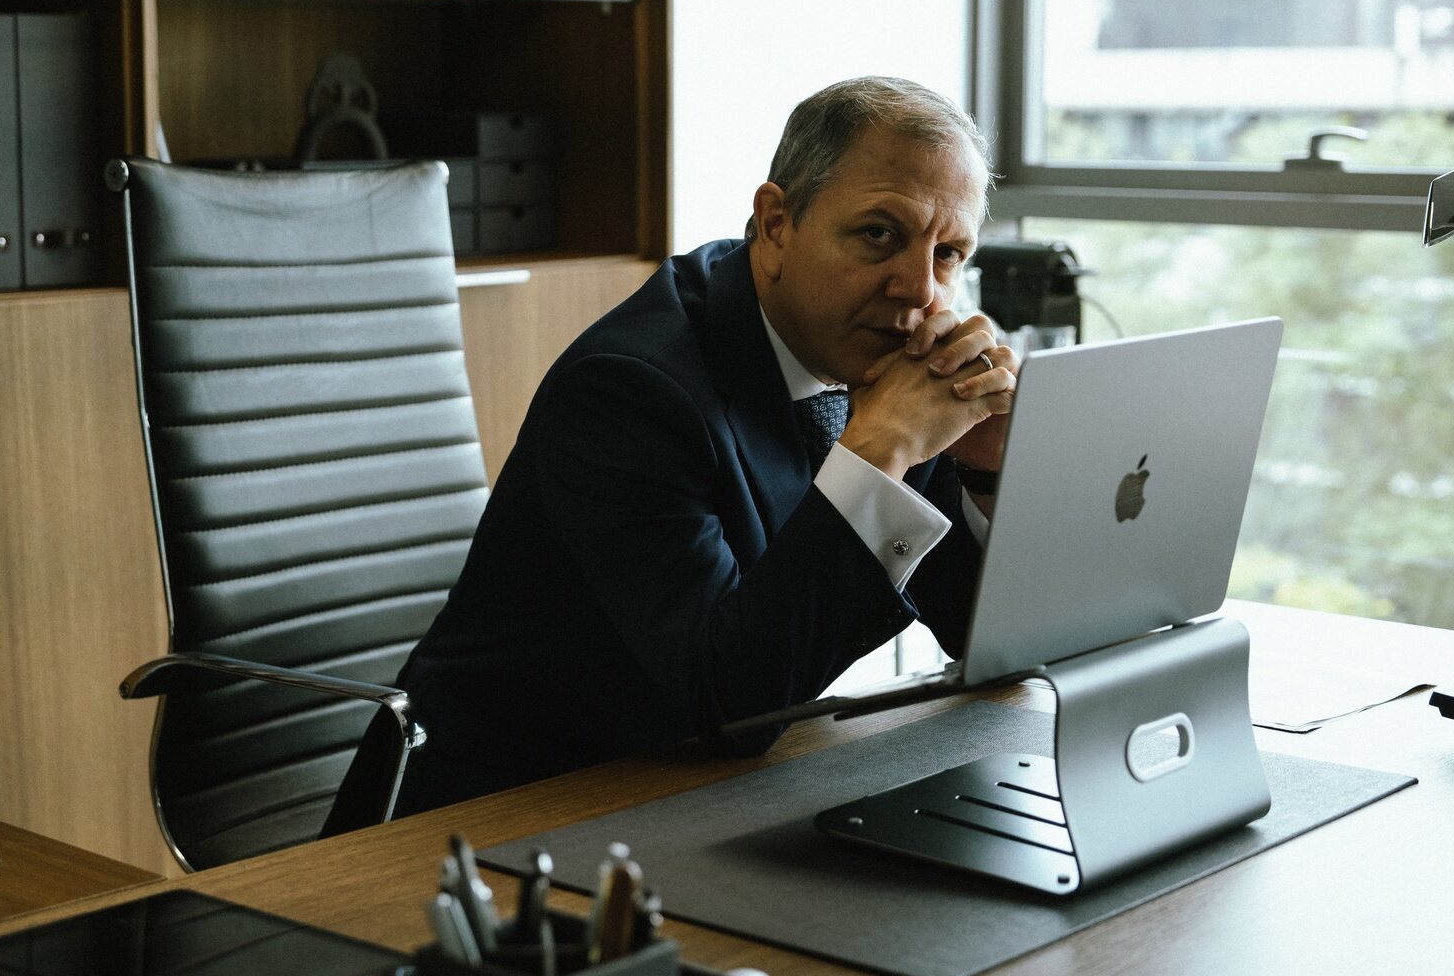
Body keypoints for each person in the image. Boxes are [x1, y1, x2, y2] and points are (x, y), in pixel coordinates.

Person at [325, 76, 1018, 824]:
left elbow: (994, 637)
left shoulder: (877, 358)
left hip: (693, 802)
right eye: (879, 234)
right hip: (492, 818)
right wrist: (878, 453)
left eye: (948, 253)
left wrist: (986, 469)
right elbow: (732, 703)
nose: (920, 290)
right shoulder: (629, 391)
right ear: (777, 225)